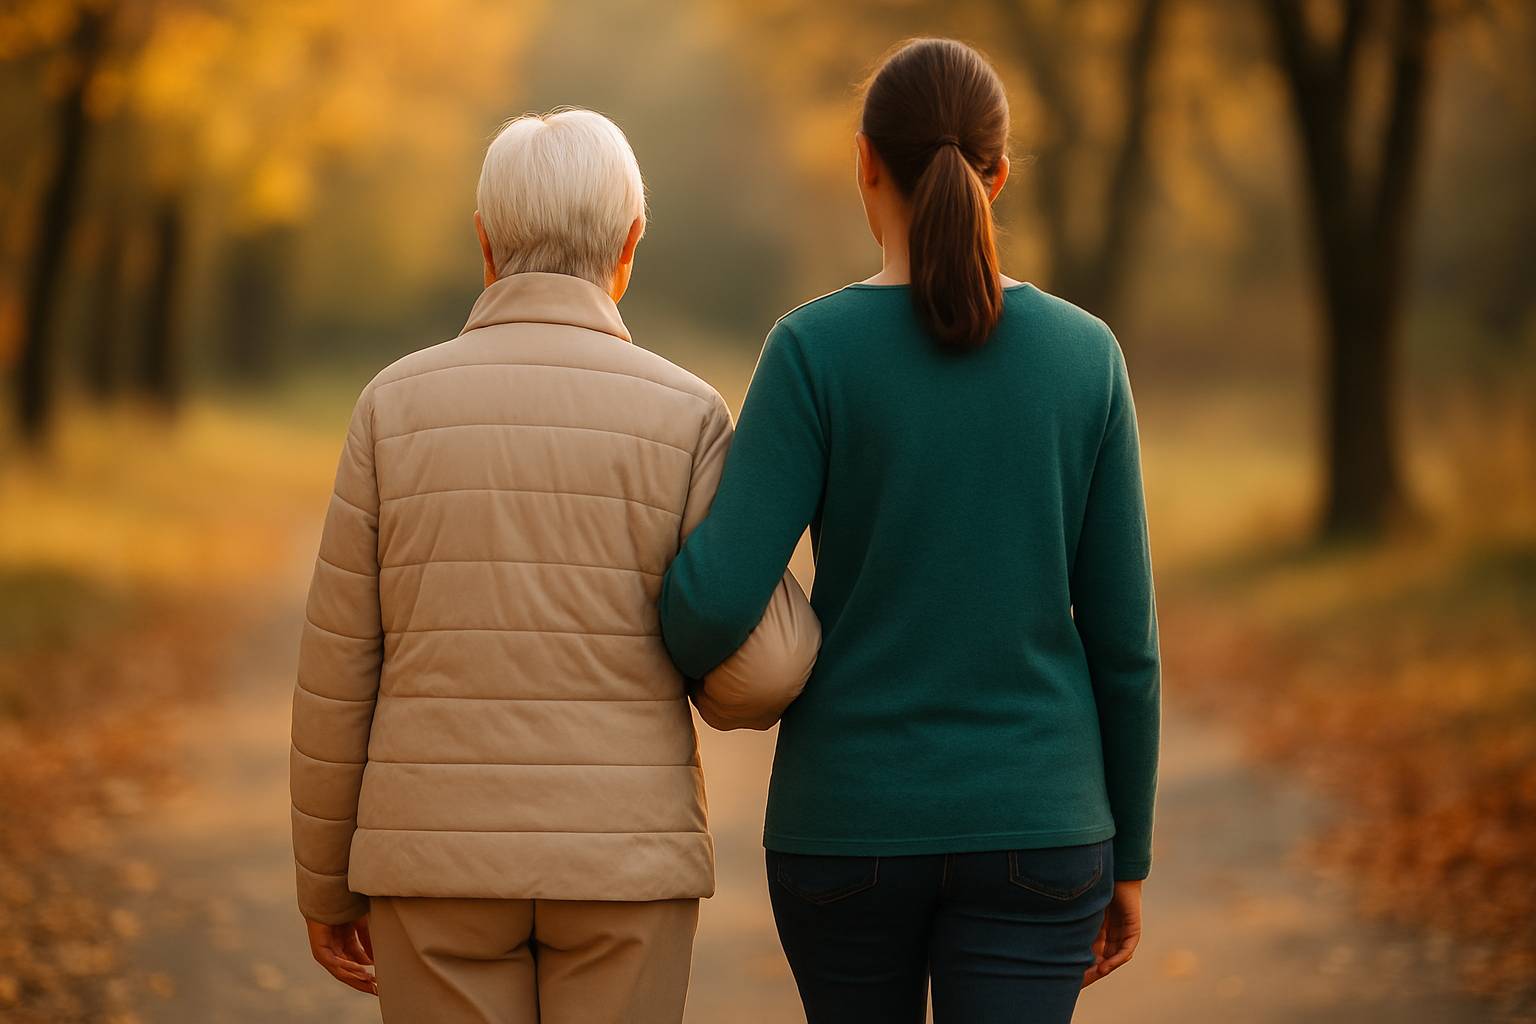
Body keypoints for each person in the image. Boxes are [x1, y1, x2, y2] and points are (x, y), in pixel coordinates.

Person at [658, 38, 1160, 1024]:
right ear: (1000, 173)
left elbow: (713, 603)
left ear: (864, 162)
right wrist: (1129, 856)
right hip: (1042, 826)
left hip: (848, 827)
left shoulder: (812, 350)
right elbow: (1125, 649)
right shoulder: (1086, 357)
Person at [288, 107, 819, 1024]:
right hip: (626, 864)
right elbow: (759, 674)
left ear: (486, 244)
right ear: (631, 244)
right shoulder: (688, 415)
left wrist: (326, 884)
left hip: (432, 863)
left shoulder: (390, 409)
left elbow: (338, 674)